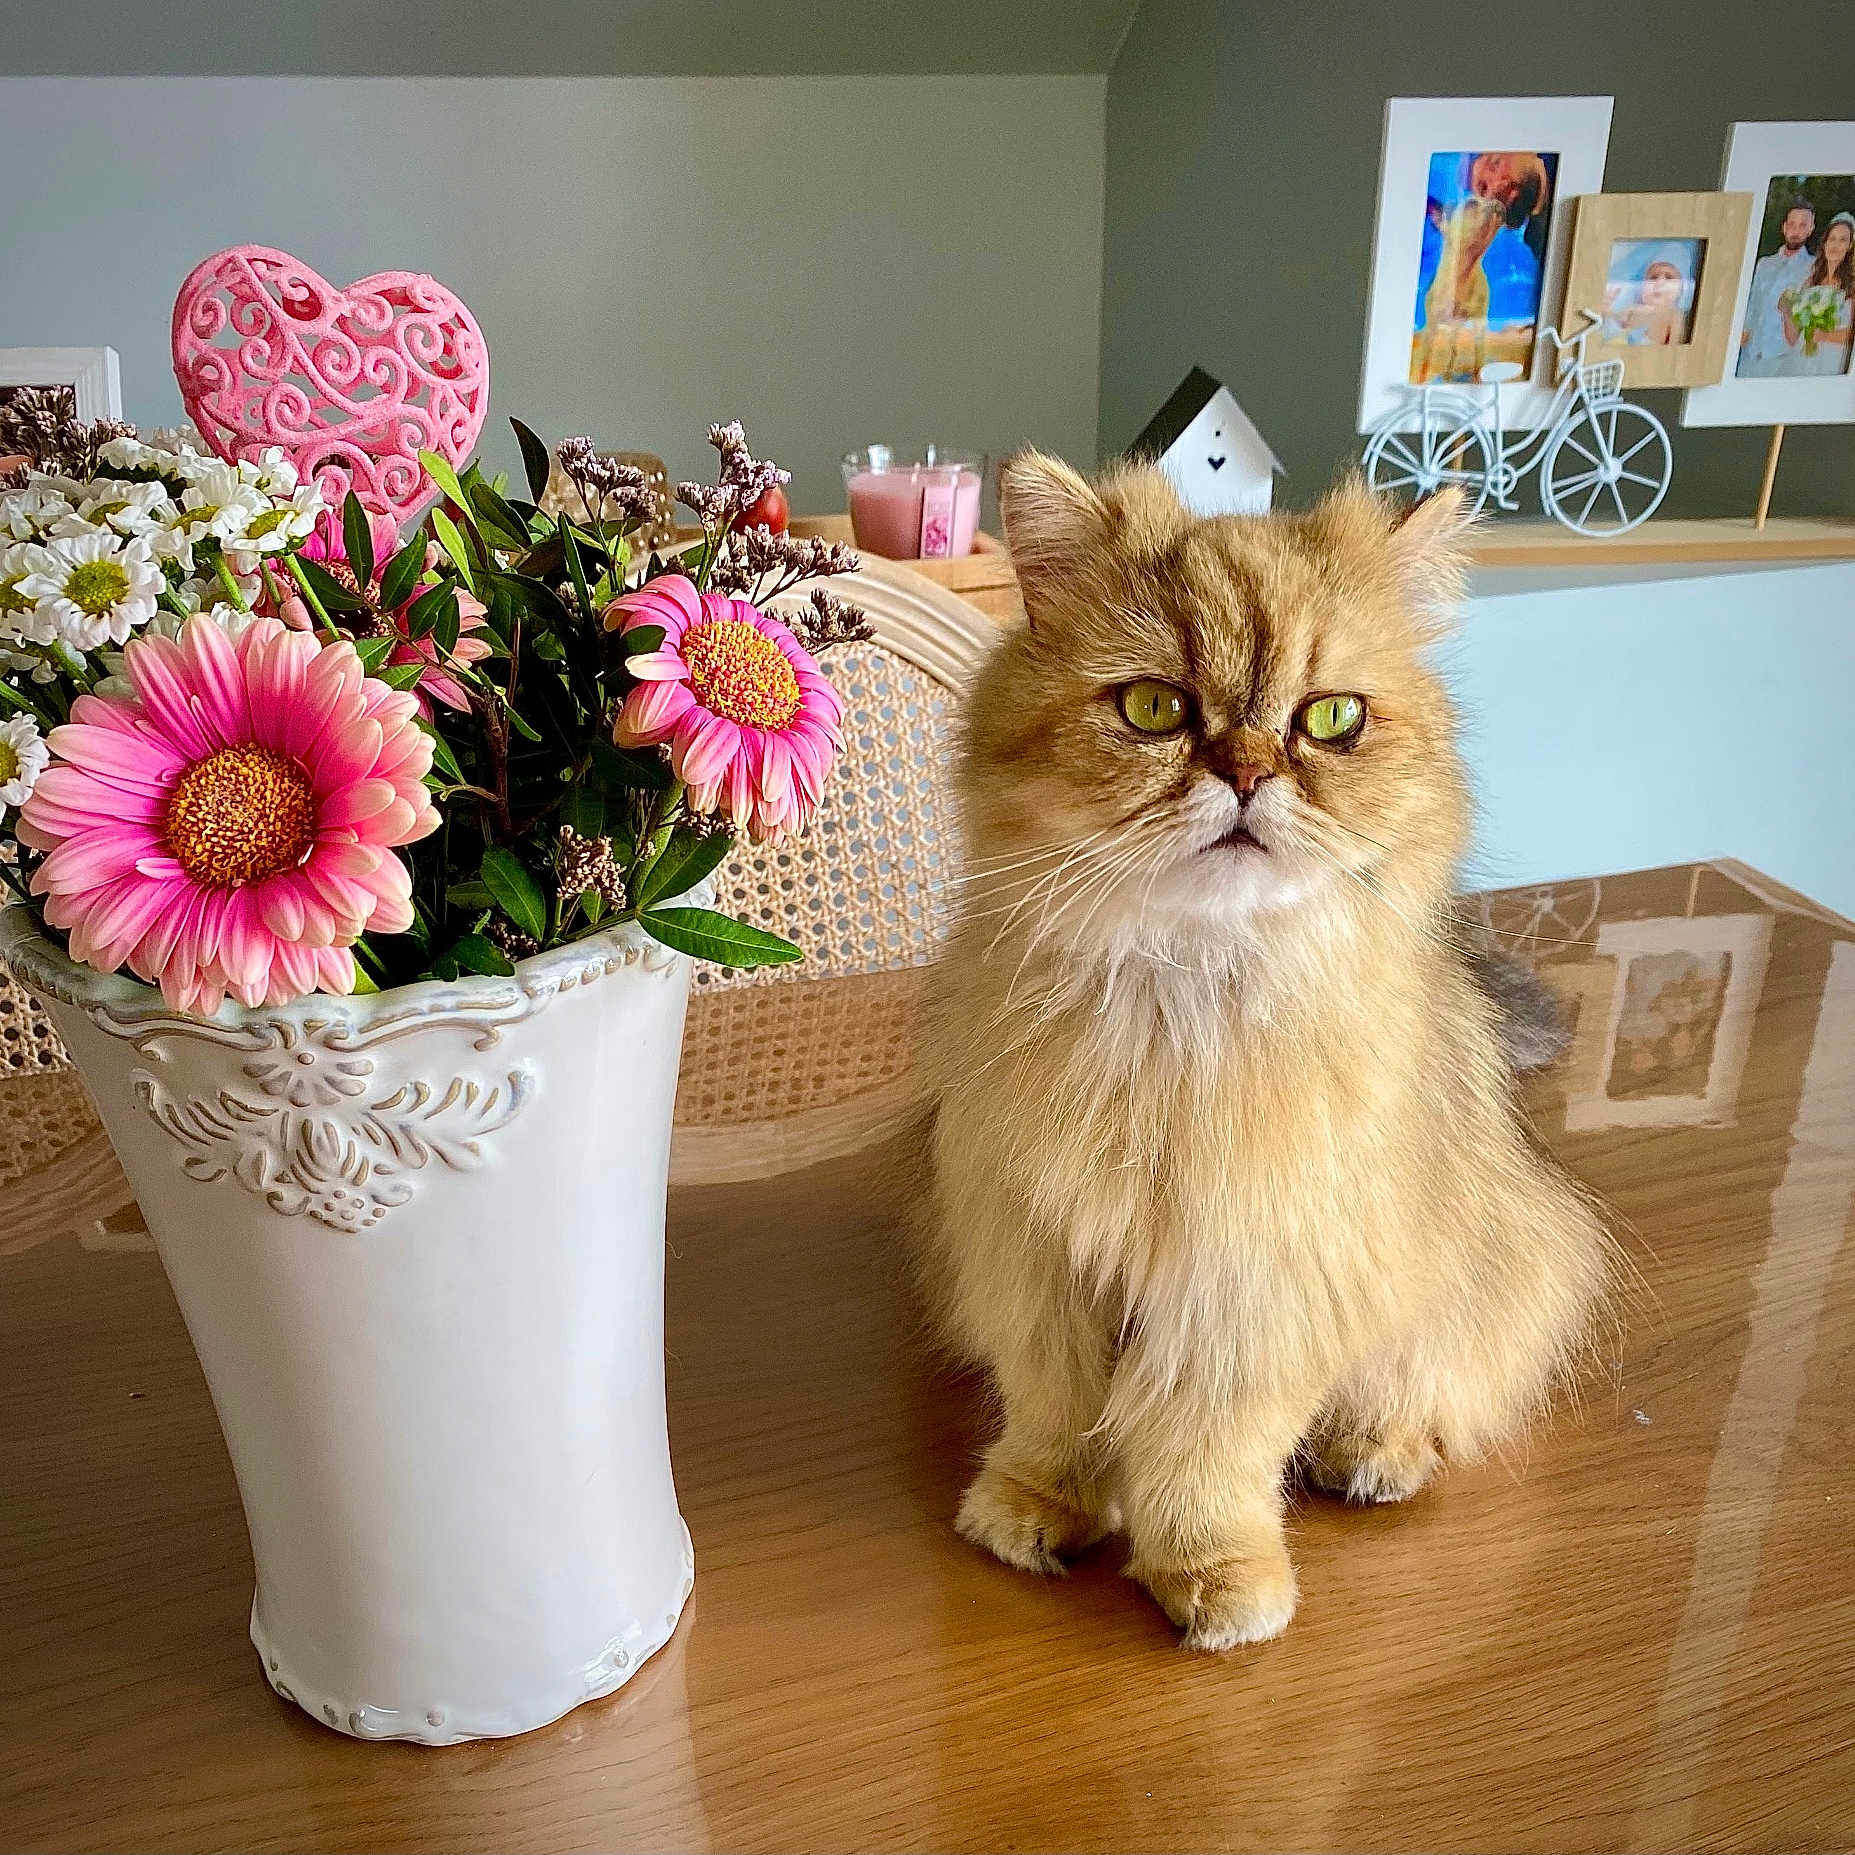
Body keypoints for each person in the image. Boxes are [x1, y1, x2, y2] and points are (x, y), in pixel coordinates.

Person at [1738, 199, 1816, 376]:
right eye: (1792, 224)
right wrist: (1743, 332)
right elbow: (1752, 302)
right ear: (1784, 227)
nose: (1796, 231)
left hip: (1782, 358)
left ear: (1810, 229)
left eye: (1802, 225)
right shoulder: (1764, 263)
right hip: (1750, 353)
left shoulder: (1813, 267)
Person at [1779, 210, 1854, 377]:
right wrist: (1787, 312)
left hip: (1833, 362)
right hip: (1802, 361)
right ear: (1825, 243)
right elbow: (1794, 339)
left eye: (1843, 240)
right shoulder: (1810, 282)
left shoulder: (1851, 287)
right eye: (1832, 239)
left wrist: (1824, 336)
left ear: (1850, 246)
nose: (1835, 245)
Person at [1605, 249, 1693, 345]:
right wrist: (1606, 316)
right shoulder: (1625, 318)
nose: (1659, 283)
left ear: (1681, 290)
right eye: (1653, 277)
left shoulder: (1678, 319)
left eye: (1669, 277)